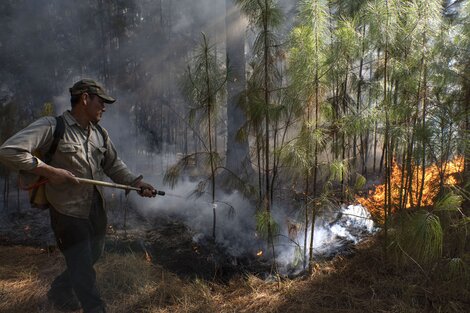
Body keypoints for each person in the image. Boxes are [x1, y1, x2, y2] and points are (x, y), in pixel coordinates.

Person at [0, 79, 156, 313]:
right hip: (67, 213)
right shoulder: (52, 127)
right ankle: (95, 308)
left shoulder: (100, 134)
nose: (103, 107)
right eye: (100, 102)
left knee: (93, 255)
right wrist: (51, 171)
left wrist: (136, 182)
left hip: (95, 208)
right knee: (83, 267)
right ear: (85, 98)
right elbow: (9, 151)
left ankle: (59, 290)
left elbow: (114, 165)